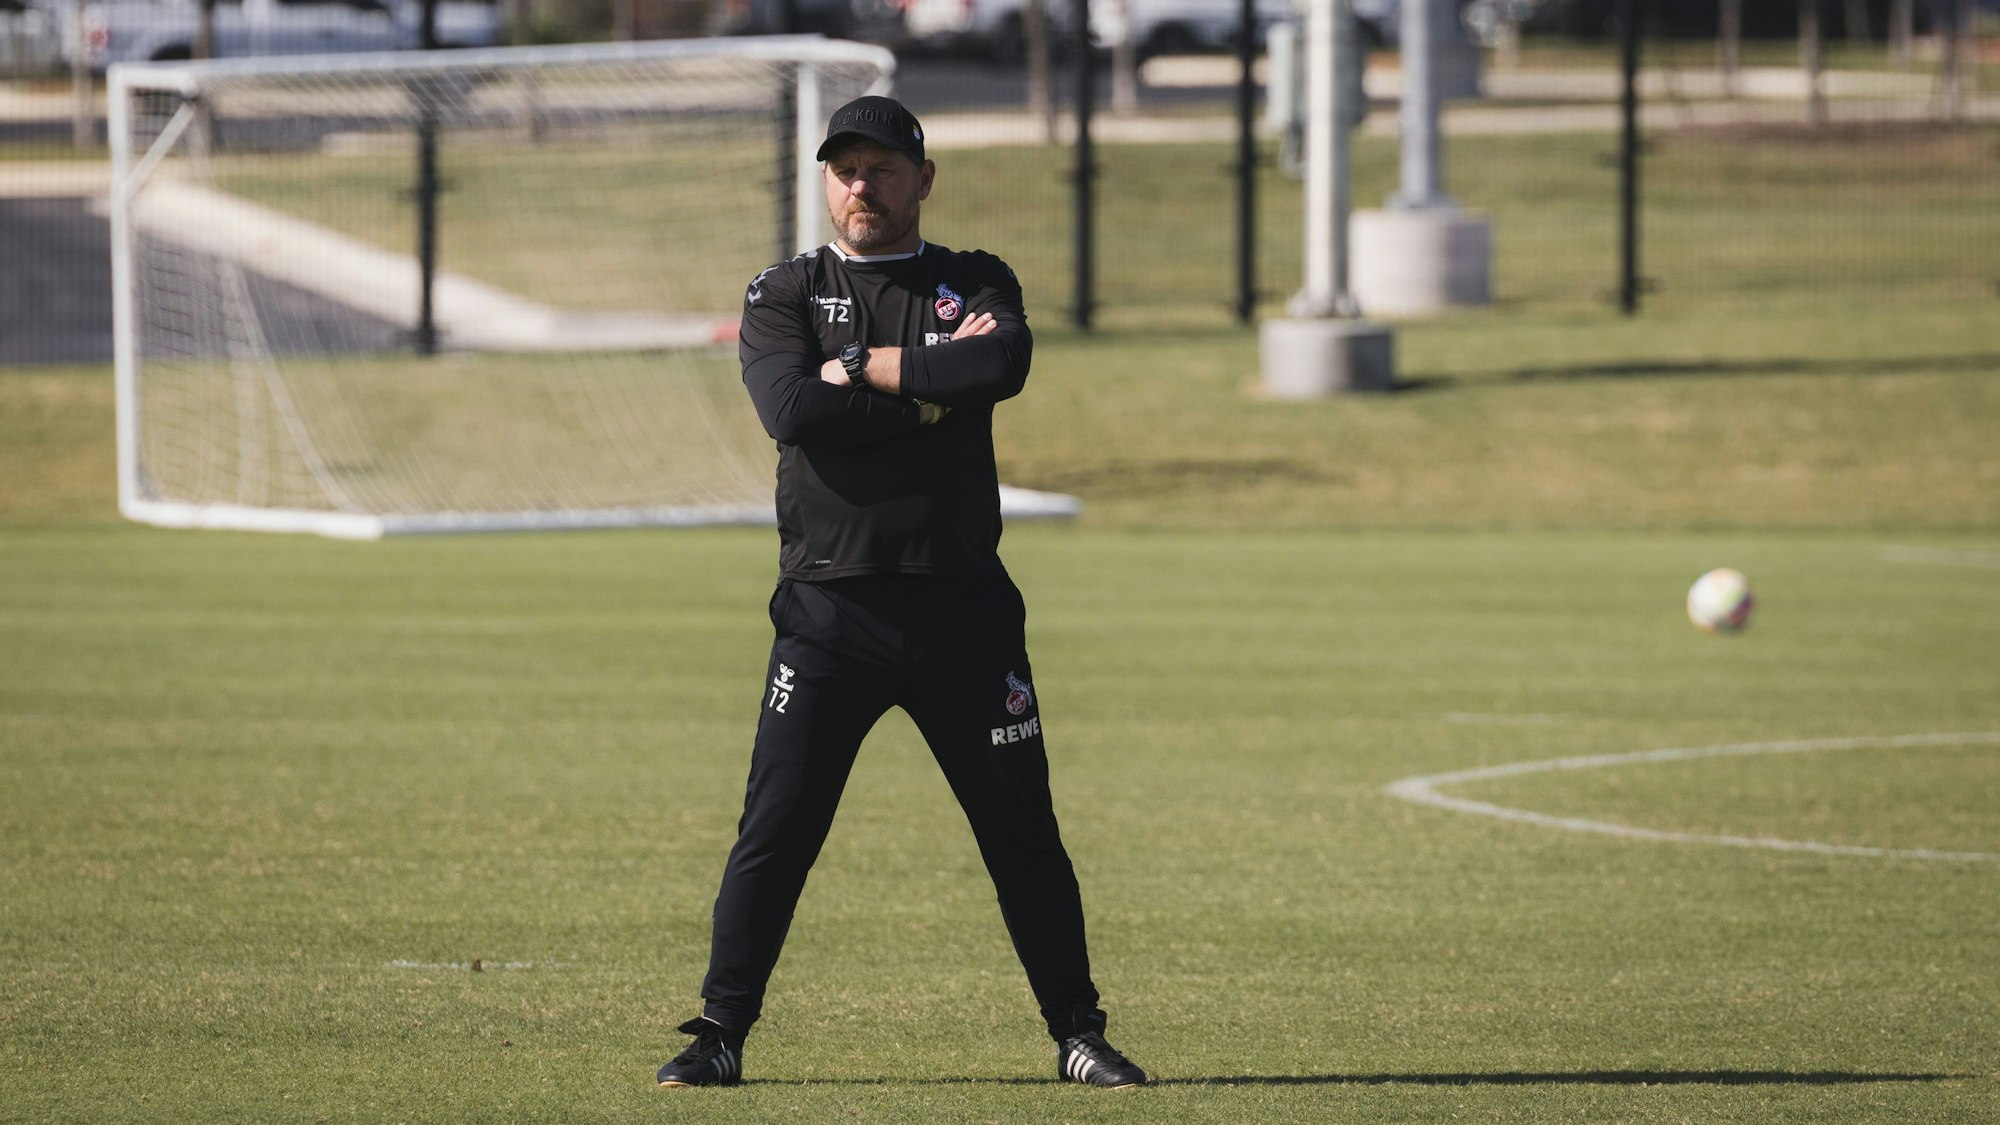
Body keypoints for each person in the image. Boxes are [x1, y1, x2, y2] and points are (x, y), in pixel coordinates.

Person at [654, 95, 1147, 1091]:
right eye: (845, 170)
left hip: (965, 614)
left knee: (1021, 832)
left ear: (922, 179)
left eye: (881, 168)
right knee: (777, 829)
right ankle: (719, 1033)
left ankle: (1078, 1035)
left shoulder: (975, 279)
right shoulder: (785, 291)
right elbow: (791, 410)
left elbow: (999, 361)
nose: (862, 186)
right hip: (828, 614)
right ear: (824, 182)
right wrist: (928, 396)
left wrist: (863, 369)